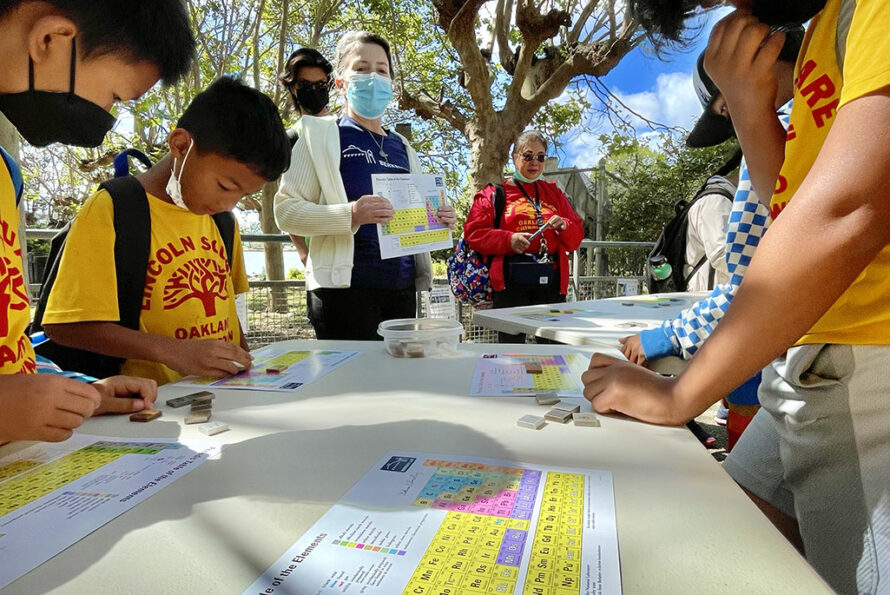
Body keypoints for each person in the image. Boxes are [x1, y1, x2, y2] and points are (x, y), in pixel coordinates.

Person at [587, 1, 890, 592]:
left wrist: (682, 394)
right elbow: (792, 214)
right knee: (716, 551)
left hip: (864, 362)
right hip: (806, 367)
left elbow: (850, 210)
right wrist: (751, 106)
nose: (731, 9)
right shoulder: (827, 33)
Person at [0, 0, 195, 442]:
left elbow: (10, 344)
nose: (107, 121)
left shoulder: (5, 175)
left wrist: (79, 391)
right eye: (114, 98)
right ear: (50, 39)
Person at [41, 77, 290, 386]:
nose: (228, 204)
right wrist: (173, 351)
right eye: (225, 186)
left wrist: (244, 366)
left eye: (241, 196)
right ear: (181, 145)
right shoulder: (113, 209)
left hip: (216, 400)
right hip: (144, 409)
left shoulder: (222, 221)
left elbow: (228, 315)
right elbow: (65, 326)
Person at [621, 35, 799, 443]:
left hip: (823, 367)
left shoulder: (783, 133)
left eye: (729, 106)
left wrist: (667, 340)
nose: (739, 127)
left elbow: (754, 284)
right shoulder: (831, 110)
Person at [274, 31, 456, 340]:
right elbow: (286, 212)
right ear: (341, 83)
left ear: (391, 84)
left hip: (401, 289)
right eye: (361, 68)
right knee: (353, 385)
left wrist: (438, 218)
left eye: (382, 70)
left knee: (394, 384)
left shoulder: (403, 147)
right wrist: (351, 214)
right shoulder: (317, 135)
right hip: (342, 292)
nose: (373, 77)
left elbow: (416, 215)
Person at [463, 130, 584, 343]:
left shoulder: (554, 193)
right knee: (511, 351)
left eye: (540, 156)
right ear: (514, 156)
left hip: (551, 283)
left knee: (553, 349)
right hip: (510, 284)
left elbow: (575, 239)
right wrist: (508, 239)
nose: (534, 162)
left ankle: (551, 377)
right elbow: (474, 233)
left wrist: (564, 225)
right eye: (527, 155)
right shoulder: (493, 193)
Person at [279, 47, 334, 267]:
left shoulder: (346, 130)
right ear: (293, 87)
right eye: (305, 85)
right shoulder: (290, 139)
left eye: (320, 85)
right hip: (319, 253)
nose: (314, 90)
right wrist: (303, 251)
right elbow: (287, 199)